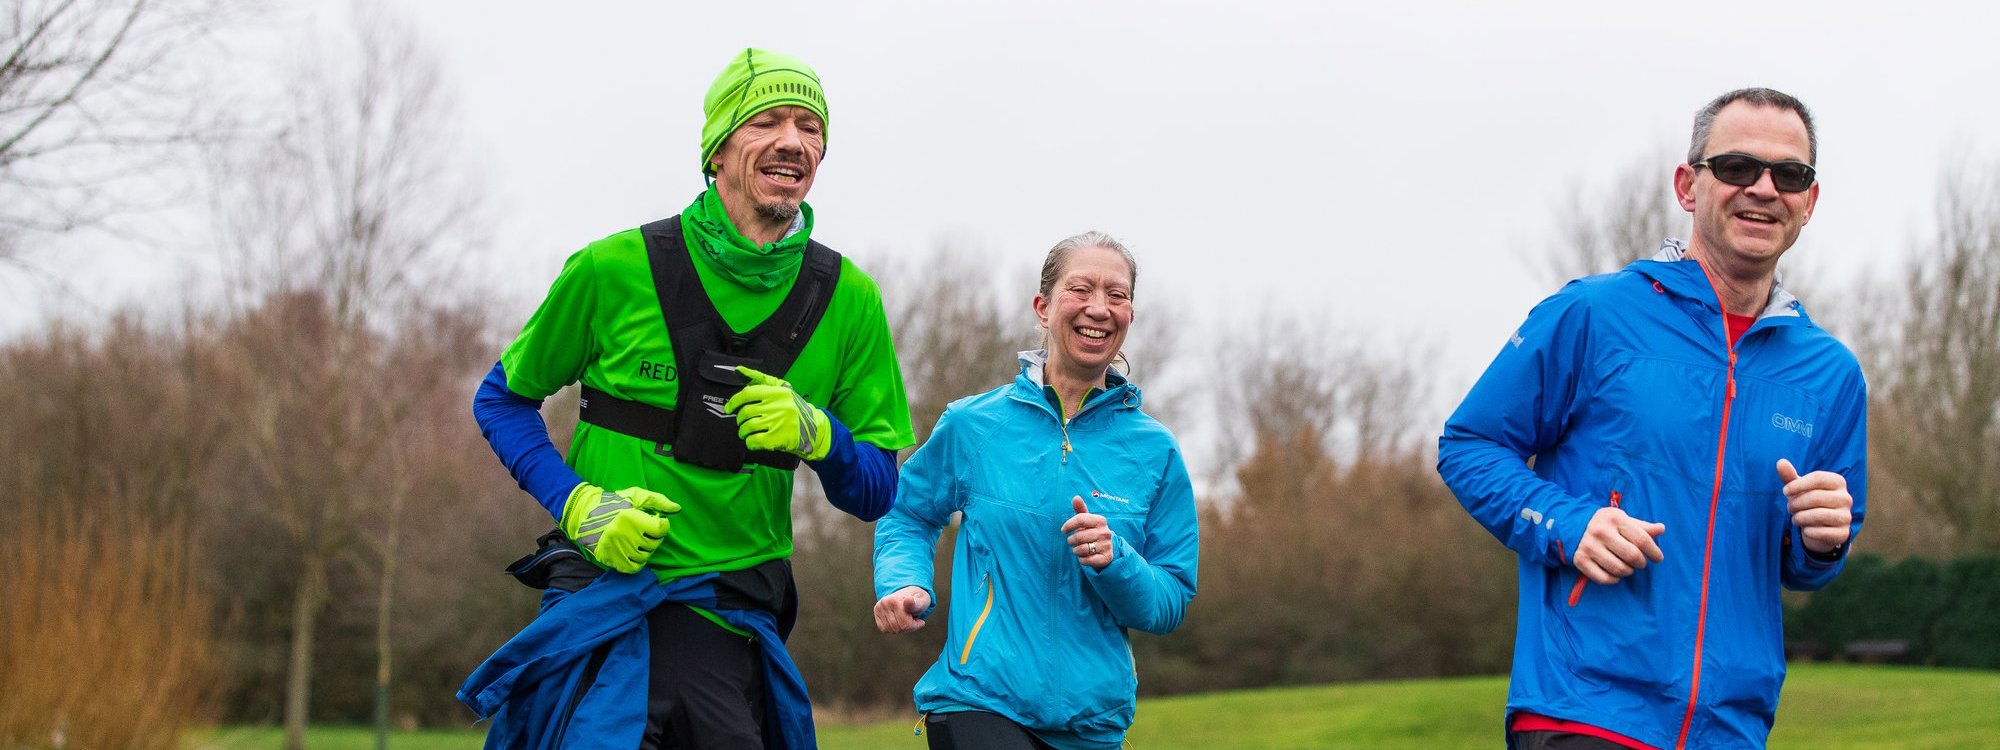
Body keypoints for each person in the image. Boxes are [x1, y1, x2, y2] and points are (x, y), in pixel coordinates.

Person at [457, 49, 914, 750]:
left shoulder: (849, 300)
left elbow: (877, 489)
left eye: (811, 127)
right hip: (602, 600)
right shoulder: (612, 269)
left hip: (730, 617)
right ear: (718, 148)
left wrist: (818, 433)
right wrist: (579, 505)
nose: (795, 140)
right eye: (767, 120)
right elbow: (501, 400)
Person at [1438, 87, 1865, 750]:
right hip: (1584, 709)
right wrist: (1567, 523)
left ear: (1809, 202)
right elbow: (1469, 445)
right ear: (1688, 185)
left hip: (1732, 728)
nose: (1762, 188)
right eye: (1736, 167)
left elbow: (1805, 567)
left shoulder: (1829, 374)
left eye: (1789, 174)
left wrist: (1824, 539)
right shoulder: (1594, 314)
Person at [872, 231, 1199, 750]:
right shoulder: (972, 426)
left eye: (1117, 295)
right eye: (1081, 289)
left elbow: (1169, 601)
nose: (1099, 308)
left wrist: (1117, 562)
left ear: (1131, 316)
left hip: (1093, 725)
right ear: (1043, 307)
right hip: (979, 701)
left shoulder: (1154, 451)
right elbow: (907, 514)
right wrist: (905, 581)